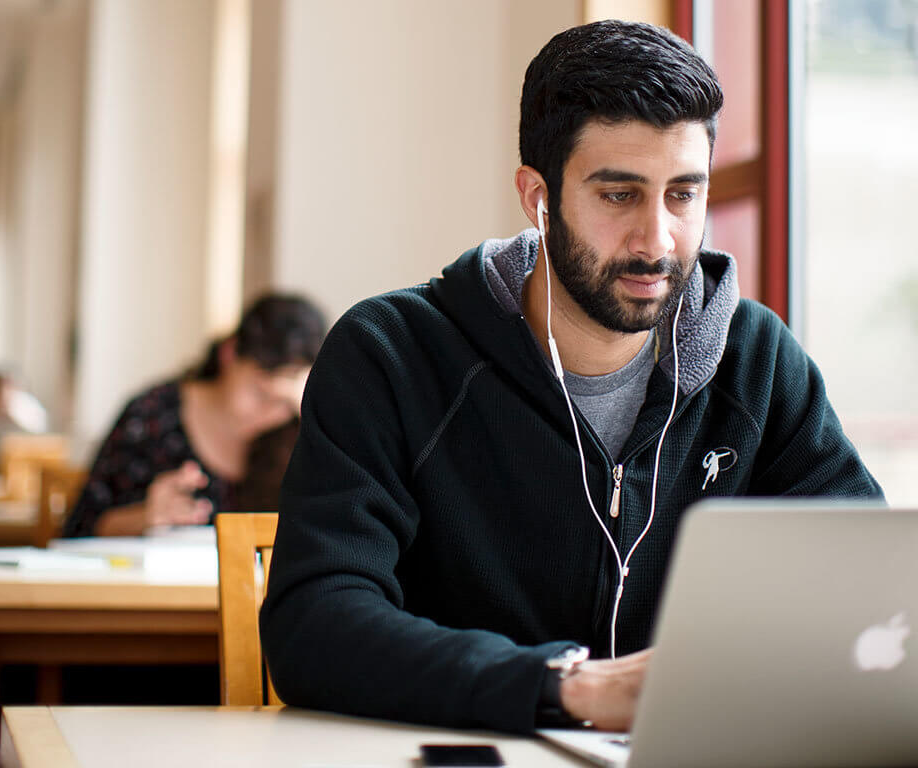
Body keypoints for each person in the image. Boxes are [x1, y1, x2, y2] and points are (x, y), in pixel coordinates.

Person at [259, 20, 882, 735]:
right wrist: (567, 687)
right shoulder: (391, 356)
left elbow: (865, 591)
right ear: (537, 196)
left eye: (684, 194)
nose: (658, 240)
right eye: (619, 195)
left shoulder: (757, 362)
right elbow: (315, 624)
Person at [62, 293, 326, 537]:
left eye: (284, 405)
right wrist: (146, 516)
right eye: (259, 393)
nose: (268, 413)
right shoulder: (152, 417)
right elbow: (80, 528)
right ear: (229, 353)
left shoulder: (296, 432)